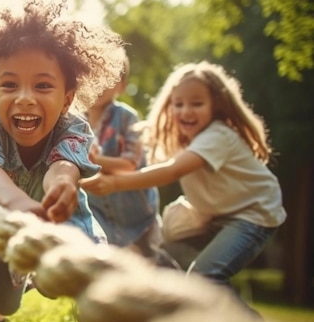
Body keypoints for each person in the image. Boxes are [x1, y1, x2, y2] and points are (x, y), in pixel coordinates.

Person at [0, 0, 126, 322]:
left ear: (67, 98)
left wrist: (62, 185)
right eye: (9, 85)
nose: (25, 98)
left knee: (8, 303)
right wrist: (16, 202)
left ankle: (9, 301)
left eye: (43, 85)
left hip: (24, 226)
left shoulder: (72, 130)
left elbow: (63, 165)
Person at [81, 61, 286, 290]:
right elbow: (152, 159)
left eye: (196, 103)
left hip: (253, 215)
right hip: (217, 216)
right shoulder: (186, 139)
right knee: (167, 257)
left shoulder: (218, 136)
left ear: (216, 105)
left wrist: (114, 183)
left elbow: (172, 170)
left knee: (206, 275)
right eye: (178, 104)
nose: (185, 111)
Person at [84, 49, 163, 262]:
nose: (98, 84)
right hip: (99, 210)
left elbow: (130, 164)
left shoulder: (127, 117)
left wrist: (93, 161)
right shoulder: (75, 121)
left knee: (150, 262)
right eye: (92, 76)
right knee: (104, 261)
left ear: (121, 86)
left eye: (107, 78)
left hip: (135, 211)